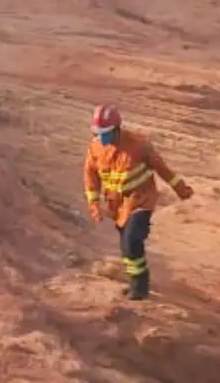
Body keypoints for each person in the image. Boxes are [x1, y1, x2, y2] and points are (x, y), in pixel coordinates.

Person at [83, 103, 193, 301]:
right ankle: (134, 282)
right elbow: (91, 176)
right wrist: (93, 204)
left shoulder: (138, 145)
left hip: (142, 199)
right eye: (98, 132)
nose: (101, 136)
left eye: (105, 132)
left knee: (133, 239)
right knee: (127, 248)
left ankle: (140, 288)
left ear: (117, 129)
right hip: (117, 205)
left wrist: (181, 189)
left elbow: (162, 168)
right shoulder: (95, 148)